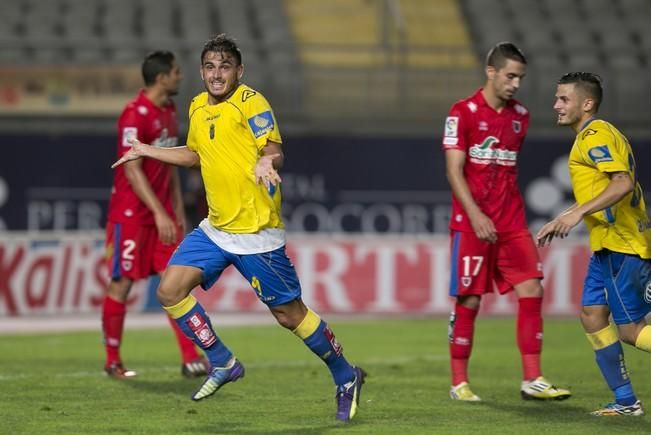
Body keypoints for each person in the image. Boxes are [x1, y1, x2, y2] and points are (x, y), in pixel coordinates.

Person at [111, 34, 366, 422]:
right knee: (169, 290)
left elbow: (273, 149)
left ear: (239, 71)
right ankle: (222, 360)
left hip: (256, 233)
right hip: (215, 230)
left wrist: (269, 162)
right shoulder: (197, 106)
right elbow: (195, 154)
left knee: (289, 315)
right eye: (210, 67)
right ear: (201, 71)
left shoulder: (252, 102)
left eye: (225, 66)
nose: (217, 74)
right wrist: (148, 151)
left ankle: (345, 375)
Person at [441, 42, 571, 402]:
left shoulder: (521, 116)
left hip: (511, 221)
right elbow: (454, 171)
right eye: (510, 75)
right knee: (468, 300)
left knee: (533, 290)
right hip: (471, 222)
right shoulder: (461, 112)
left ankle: (532, 378)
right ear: (491, 72)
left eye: (520, 78)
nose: (515, 83)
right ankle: (459, 383)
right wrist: (476, 214)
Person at [537, 72, 651, 416]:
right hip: (606, 246)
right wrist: (569, 214)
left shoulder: (593, 135)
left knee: (632, 332)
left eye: (563, 99)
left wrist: (574, 214)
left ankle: (627, 402)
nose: (556, 105)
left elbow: (622, 183)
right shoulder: (599, 134)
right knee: (592, 315)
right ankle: (626, 401)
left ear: (587, 104)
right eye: (556, 98)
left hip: (622, 245)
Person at [102, 50, 208, 379]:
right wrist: (161, 213)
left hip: (163, 214)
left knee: (173, 283)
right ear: (162, 78)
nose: (180, 76)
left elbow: (171, 164)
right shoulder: (134, 115)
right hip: (132, 216)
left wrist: (176, 209)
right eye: (176, 72)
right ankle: (113, 361)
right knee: (121, 285)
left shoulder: (170, 110)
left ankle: (190, 357)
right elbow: (133, 171)